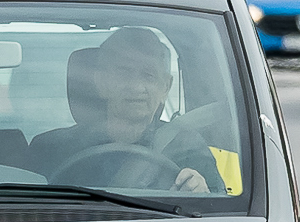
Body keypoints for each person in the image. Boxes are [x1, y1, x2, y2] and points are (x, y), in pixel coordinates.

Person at [27, 28, 214, 193]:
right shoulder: (50, 149)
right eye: (124, 73)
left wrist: (201, 190)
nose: (136, 86)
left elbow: (218, 215)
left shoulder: (187, 148)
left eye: (148, 75)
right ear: (101, 82)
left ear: (165, 87)